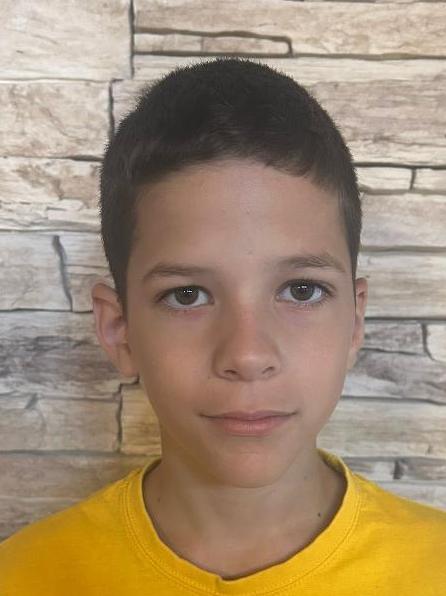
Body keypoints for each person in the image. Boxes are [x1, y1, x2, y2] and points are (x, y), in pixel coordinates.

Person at [1, 57, 445, 595]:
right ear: (119, 330)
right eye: (187, 295)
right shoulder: (24, 576)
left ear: (355, 320)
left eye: (301, 290)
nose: (248, 354)